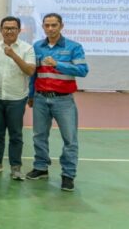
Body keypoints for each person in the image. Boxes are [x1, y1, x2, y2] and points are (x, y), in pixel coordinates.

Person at [27, 13, 88, 192]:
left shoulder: (74, 47)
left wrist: (58, 64)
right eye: (47, 25)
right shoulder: (37, 47)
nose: (50, 28)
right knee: (39, 135)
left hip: (64, 101)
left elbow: (83, 70)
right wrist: (31, 95)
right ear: (43, 27)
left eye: (54, 25)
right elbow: (34, 74)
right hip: (40, 98)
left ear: (61, 26)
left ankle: (68, 175)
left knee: (70, 139)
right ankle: (41, 167)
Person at [0, 16, 36, 180]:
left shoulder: (27, 48)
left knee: (15, 134)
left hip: (16, 98)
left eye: (13, 28)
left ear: (19, 30)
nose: (9, 31)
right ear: (1, 30)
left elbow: (30, 71)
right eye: (6, 28)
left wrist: (13, 55)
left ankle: (16, 167)